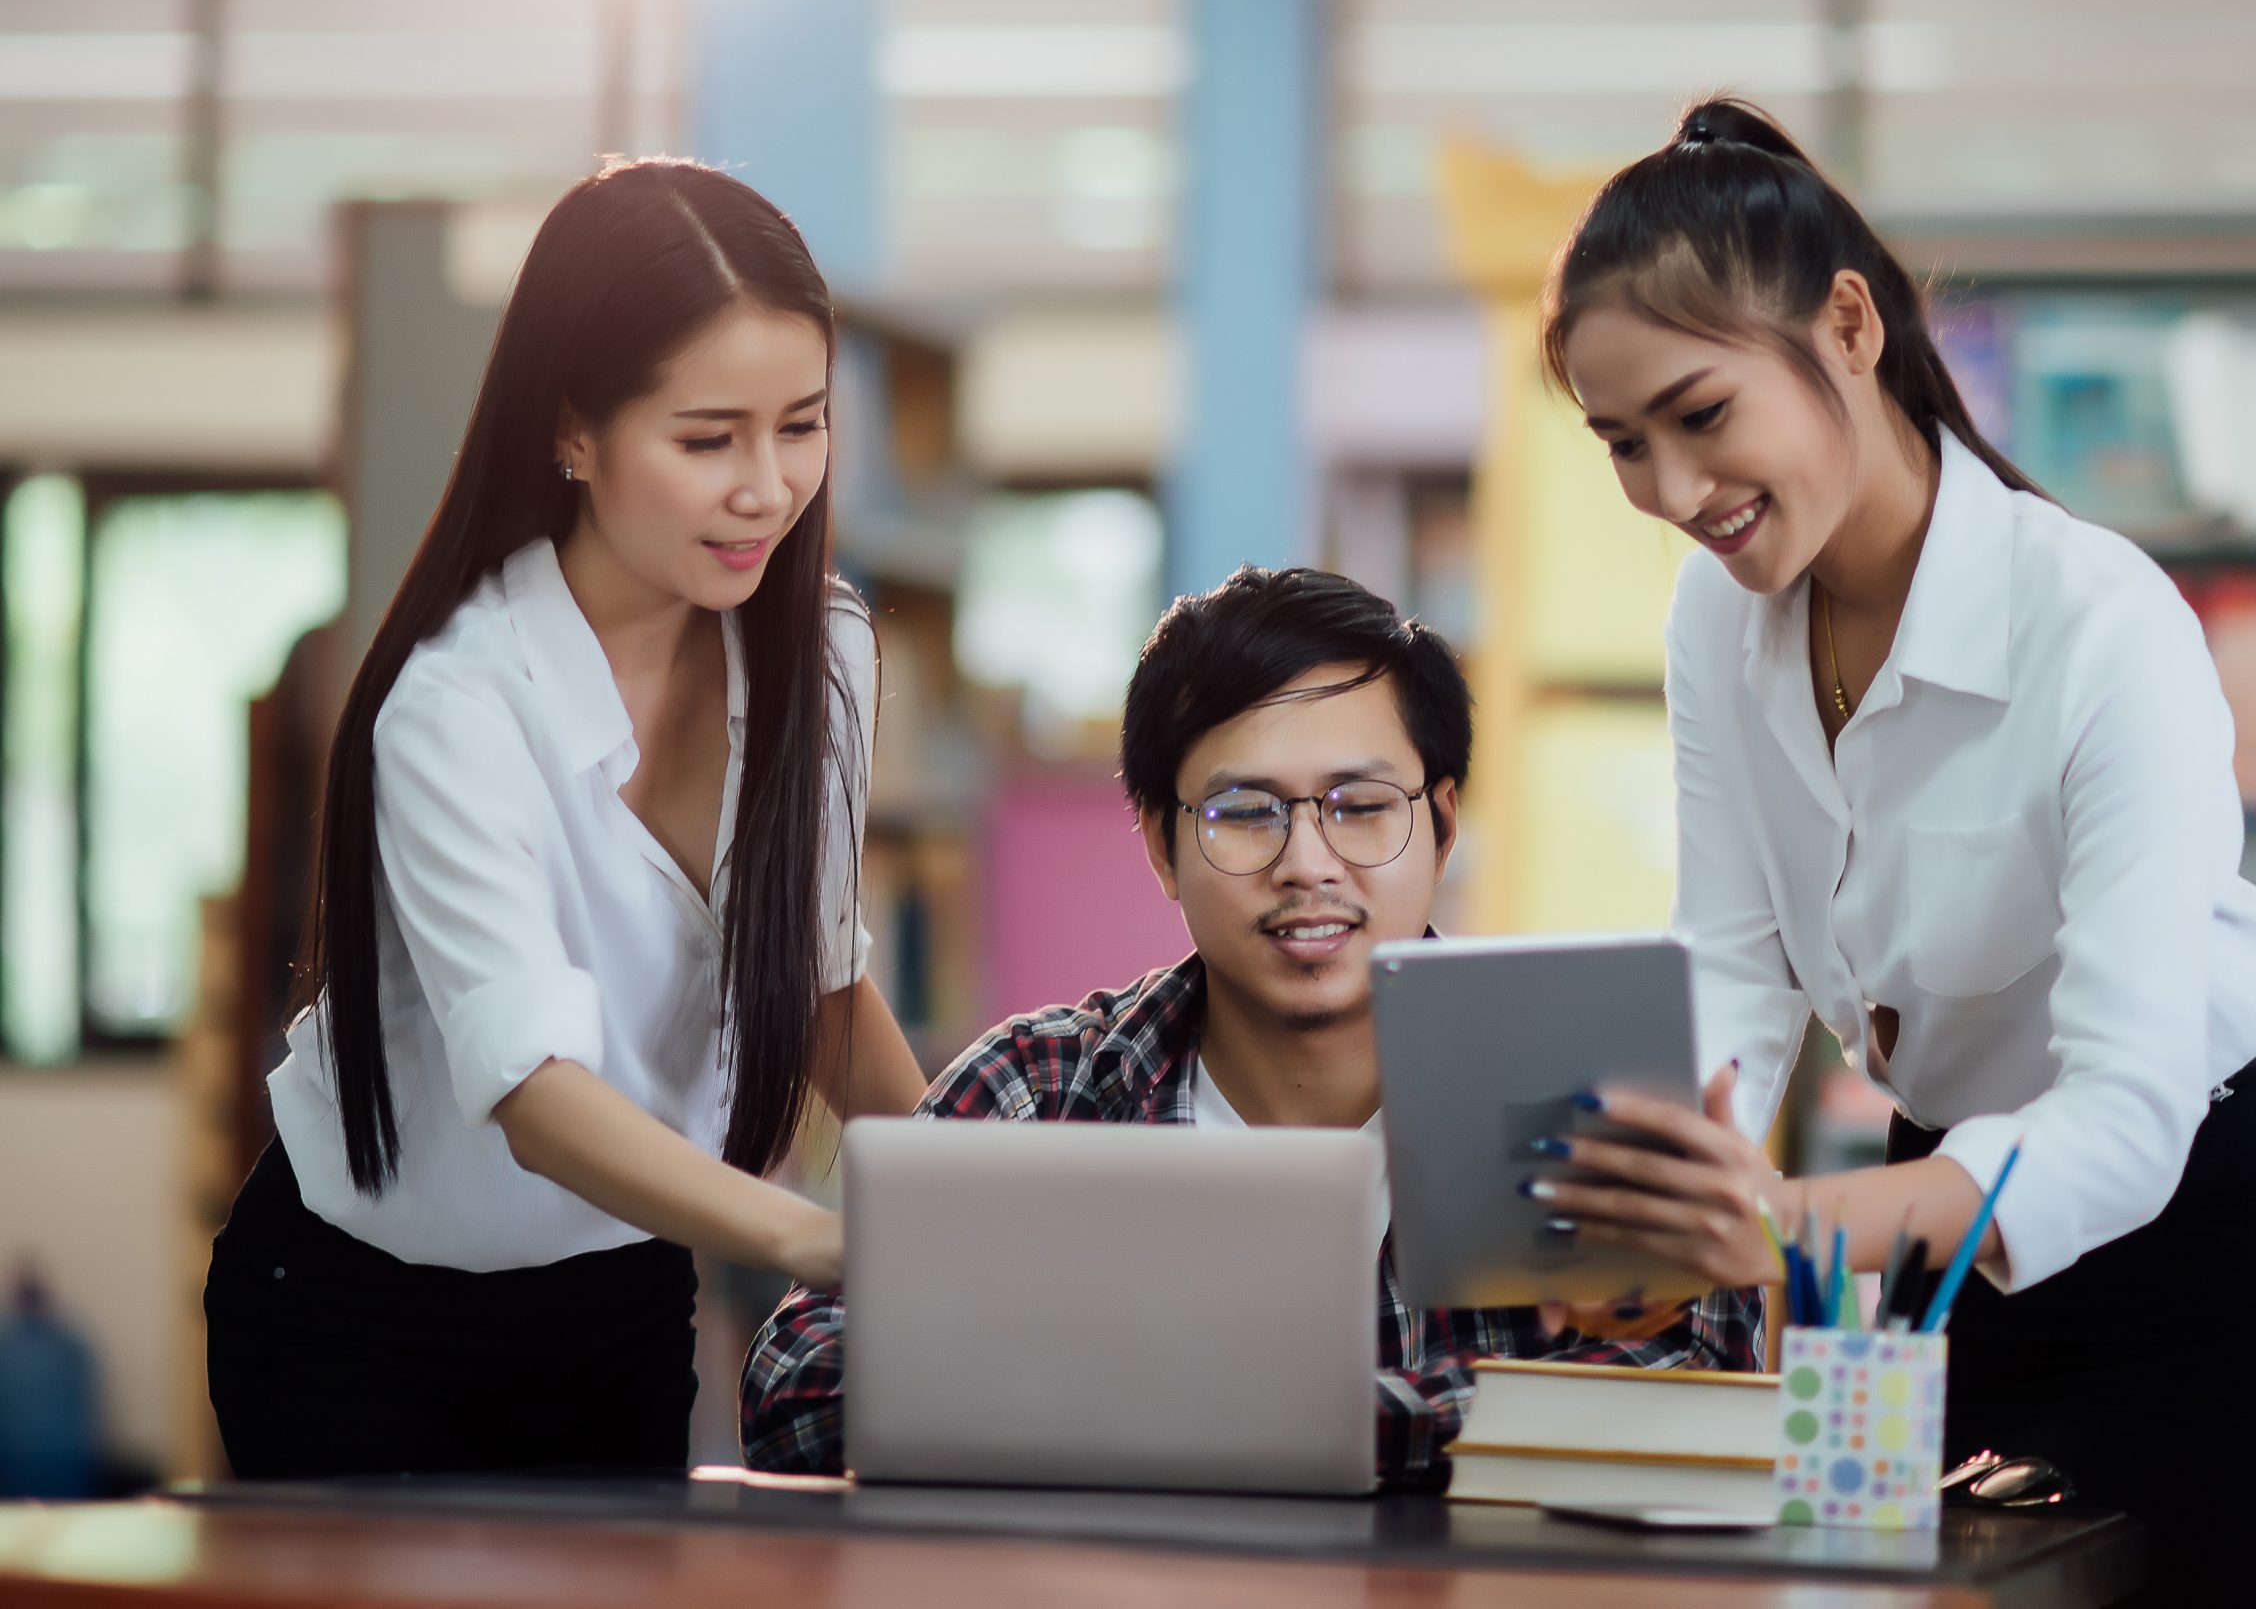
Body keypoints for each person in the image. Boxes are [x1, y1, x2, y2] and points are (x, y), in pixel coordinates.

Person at [1527, 99, 2256, 1608]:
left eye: (1701, 417)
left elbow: (2131, 1104)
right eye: (1622, 445)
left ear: (1848, 326)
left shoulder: (2101, 625)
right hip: (1918, 1247)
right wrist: (1667, 1187)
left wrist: (1803, 1221)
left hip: (2186, 1256)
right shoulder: (1717, 620)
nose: (1672, 493)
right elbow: (1734, 957)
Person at [204, 160, 928, 1480]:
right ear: (572, 431)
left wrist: (967, 1199)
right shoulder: (457, 705)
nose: (768, 488)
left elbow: (824, 988)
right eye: (708, 439)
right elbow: (537, 1099)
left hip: (613, 1300)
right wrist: (823, 1237)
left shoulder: (824, 659)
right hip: (354, 1311)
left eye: (803, 425)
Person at [739, 566, 1761, 1484]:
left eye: (1360, 805)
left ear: (1441, 821)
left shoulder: (1583, 1084)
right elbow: (796, 1383)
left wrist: (1160, 1408)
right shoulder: (1040, 1086)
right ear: (1157, 842)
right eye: (1244, 812)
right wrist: (1430, 1414)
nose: (1307, 862)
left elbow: (1686, 1378)